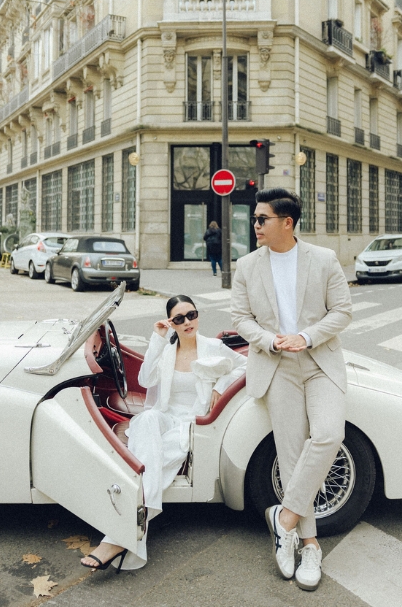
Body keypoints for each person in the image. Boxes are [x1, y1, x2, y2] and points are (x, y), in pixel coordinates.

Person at [230, 188, 352, 591]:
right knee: (291, 454)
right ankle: (310, 544)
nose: (255, 226)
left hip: (318, 361)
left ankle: (284, 520)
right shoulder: (246, 265)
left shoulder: (324, 259)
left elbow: (342, 311)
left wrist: (307, 336)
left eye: (261, 219)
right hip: (275, 365)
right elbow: (241, 318)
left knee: (329, 434)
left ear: (287, 222)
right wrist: (269, 340)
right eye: (254, 219)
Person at [80, 295, 246, 572]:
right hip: (166, 417)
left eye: (191, 315)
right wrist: (157, 339)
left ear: (197, 314)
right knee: (145, 421)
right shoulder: (167, 351)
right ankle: (131, 528)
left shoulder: (213, 347)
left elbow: (244, 366)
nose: (187, 322)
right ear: (172, 323)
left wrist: (222, 384)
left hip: (190, 424)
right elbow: (145, 380)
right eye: (179, 319)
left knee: (154, 457)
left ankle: (121, 537)